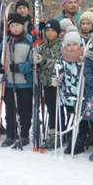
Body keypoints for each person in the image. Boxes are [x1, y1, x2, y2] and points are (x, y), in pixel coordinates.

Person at [0, 12, 33, 147]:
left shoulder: (29, 40)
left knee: (24, 110)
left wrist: (20, 68)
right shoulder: (5, 41)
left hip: (24, 83)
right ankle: (11, 135)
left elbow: (33, 61)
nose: (15, 28)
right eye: (12, 26)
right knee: (10, 110)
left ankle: (24, 134)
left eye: (18, 25)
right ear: (9, 28)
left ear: (22, 26)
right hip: (9, 82)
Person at [51, 28, 90, 154]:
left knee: (81, 118)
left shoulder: (84, 59)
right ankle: (71, 137)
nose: (72, 47)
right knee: (71, 116)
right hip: (67, 95)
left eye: (75, 44)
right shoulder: (61, 59)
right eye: (69, 45)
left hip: (82, 95)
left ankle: (80, 140)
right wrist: (57, 79)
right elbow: (56, 73)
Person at [35, 19, 63, 149]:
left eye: (53, 31)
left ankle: (59, 134)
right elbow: (37, 60)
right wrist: (36, 62)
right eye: (47, 31)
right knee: (50, 108)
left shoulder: (61, 45)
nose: (50, 33)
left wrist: (44, 61)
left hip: (57, 83)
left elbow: (59, 61)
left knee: (58, 109)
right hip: (45, 82)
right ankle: (52, 133)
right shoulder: (42, 46)